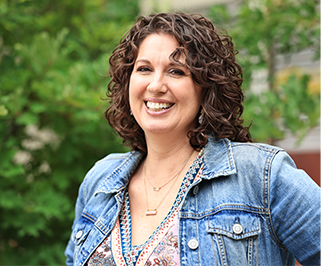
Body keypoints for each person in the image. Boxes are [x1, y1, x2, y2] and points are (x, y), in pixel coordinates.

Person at [65, 12, 320, 266]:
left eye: (176, 71)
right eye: (144, 69)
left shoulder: (260, 176)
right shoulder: (100, 181)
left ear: (206, 87)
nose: (155, 85)